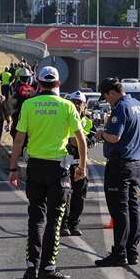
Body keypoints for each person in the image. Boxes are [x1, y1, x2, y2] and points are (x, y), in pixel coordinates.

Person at [7, 66, 87, 279]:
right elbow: (81, 139)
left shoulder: (29, 105)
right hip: (58, 169)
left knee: (35, 217)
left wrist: (13, 168)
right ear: (58, 84)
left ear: (39, 83)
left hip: (35, 167)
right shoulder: (68, 106)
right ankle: (48, 267)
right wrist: (82, 167)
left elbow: (18, 140)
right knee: (55, 219)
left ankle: (31, 266)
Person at [95, 77, 140, 267]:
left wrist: (101, 134)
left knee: (119, 210)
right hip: (135, 163)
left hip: (119, 165)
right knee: (132, 209)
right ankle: (132, 251)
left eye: (106, 96)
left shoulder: (121, 108)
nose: (107, 100)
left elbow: (115, 137)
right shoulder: (137, 104)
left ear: (112, 92)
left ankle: (119, 252)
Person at [61, 91, 97, 236]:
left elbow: (92, 140)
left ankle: (74, 224)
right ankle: (63, 225)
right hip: (64, 162)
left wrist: (83, 142)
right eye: (74, 102)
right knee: (64, 195)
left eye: (79, 103)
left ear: (84, 105)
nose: (76, 105)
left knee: (79, 195)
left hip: (79, 163)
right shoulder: (62, 118)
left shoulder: (87, 122)